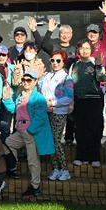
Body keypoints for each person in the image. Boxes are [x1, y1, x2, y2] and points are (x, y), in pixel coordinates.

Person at [3, 70, 55, 197]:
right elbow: (13, 109)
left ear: (35, 81)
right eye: (24, 80)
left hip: (30, 132)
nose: (26, 82)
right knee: (8, 143)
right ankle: (12, 168)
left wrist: (30, 130)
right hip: (20, 131)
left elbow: (40, 116)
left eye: (29, 80)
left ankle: (35, 187)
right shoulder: (21, 95)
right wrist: (7, 99)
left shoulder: (38, 97)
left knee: (33, 160)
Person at [38, 50, 74, 182]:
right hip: (45, 112)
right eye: (52, 60)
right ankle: (56, 168)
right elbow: (39, 90)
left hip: (59, 112)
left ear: (64, 62)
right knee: (49, 140)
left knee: (56, 140)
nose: (55, 63)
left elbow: (68, 97)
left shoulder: (66, 78)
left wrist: (52, 102)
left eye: (58, 60)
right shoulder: (46, 75)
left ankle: (64, 169)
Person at [70, 40, 106, 167]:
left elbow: (102, 78)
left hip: (93, 100)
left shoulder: (95, 63)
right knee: (80, 129)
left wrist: (98, 66)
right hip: (79, 100)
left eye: (87, 48)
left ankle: (94, 157)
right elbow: (71, 83)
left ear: (91, 50)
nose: (84, 50)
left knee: (93, 129)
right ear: (78, 50)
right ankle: (81, 156)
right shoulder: (75, 65)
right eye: (82, 48)